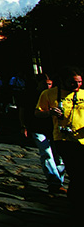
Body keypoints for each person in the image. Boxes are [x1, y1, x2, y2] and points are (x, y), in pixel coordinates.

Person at [36, 66, 84, 199]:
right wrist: (49, 112)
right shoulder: (49, 94)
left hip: (82, 138)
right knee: (76, 172)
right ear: (63, 81)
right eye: (73, 82)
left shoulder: (83, 94)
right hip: (64, 139)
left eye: (80, 82)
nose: (77, 85)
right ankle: (76, 201)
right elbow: (38, 113)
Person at [27, 73, 66, 193]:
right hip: (38, 128)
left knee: (60, 156)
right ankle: (54, 182)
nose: (48, 86)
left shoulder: (57, 94)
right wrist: (24, 126)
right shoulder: (32, 95)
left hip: (55, 129)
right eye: (45, 84)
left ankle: (59, 179)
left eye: (50, 84)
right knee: (47, 153)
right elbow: (26, 112)